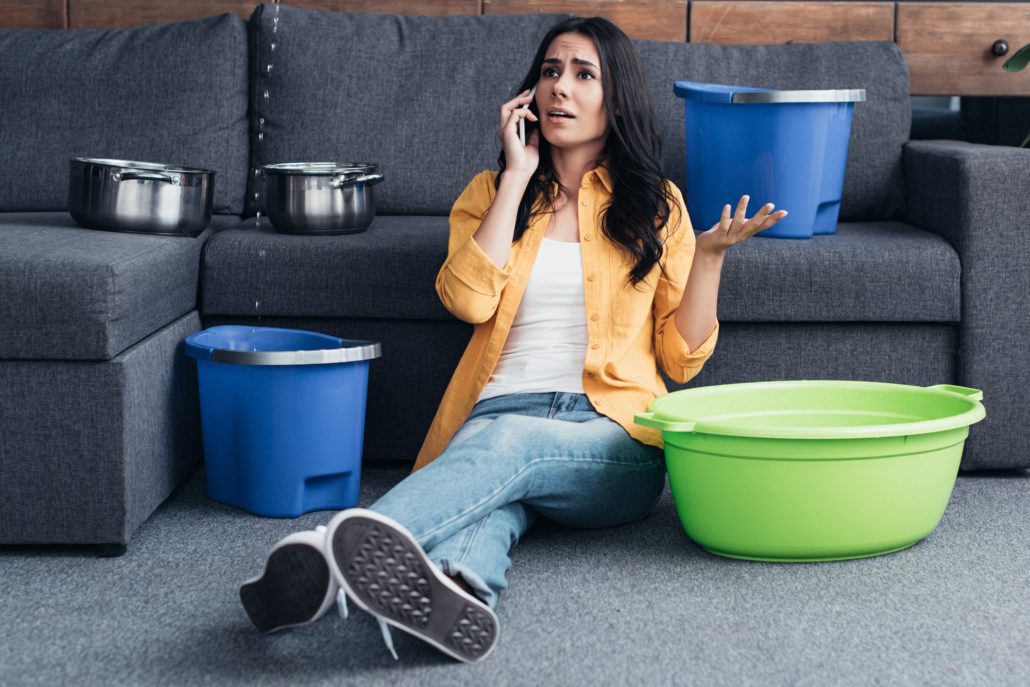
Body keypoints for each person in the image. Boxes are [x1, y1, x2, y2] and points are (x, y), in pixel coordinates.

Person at [237, 15, 788, 664]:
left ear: (617, 100)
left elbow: (681, 360)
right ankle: (458, 589)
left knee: (506, 449)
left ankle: (332, 554)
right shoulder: (489, 194)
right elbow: (466, 299)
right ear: (529, 94)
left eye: (585, 74)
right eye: (551, 71)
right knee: (497, 495)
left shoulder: (656, 205)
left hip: (613, 435)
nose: (561, 87)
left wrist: (710, 260)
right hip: (498, 413)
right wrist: (519, 176)